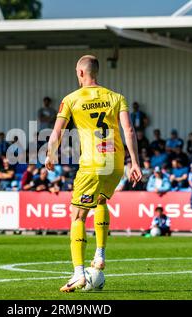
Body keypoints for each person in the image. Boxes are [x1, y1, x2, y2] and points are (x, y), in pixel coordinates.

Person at [45, 55, 142, 292]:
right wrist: (135, 163)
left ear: (80, 73)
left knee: (78, 216)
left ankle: (78, 274)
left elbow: (56, 133)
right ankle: (100, 254)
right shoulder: (116, 97)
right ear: (96, 72)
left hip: (91, 164)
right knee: (101, 201)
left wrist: (50, 154)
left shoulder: (71, 99)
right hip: (116, 163)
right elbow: (128, 129)